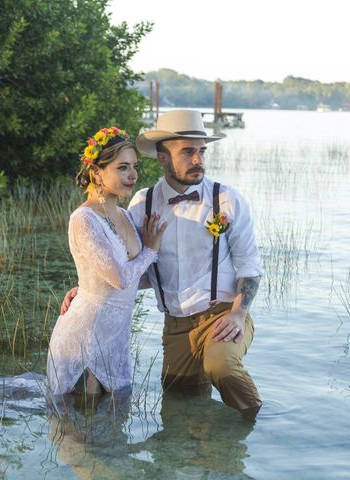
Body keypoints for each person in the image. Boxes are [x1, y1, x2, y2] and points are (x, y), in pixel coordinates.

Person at [62, 110, 263, 418]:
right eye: (187, 152)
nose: (198, 160)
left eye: (201, 151)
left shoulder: (227, 200)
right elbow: (139, 269)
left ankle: (254, 425)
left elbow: (250, 266)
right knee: (177, 406)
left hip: (223, 313)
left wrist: (239, 314)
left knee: (221, 368)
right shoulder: (143, 203)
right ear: (163, 158)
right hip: (176, 326)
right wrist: (90, 287)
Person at [47, 126, 167, 398]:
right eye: (122, 168)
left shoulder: (125, 216)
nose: (133, 175)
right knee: (79, 432)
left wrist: (87, 288)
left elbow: (135, 280)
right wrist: (151, 249)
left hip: (114, 340)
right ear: (97, 172)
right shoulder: (84, 219)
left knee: (111, 431)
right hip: (84, 338)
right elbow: (121, 278)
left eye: (134, 166)